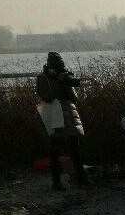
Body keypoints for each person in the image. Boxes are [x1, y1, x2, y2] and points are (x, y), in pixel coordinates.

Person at [35, 52, 89, 191]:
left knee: (75, 148)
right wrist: (58, 83)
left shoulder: (63, 76)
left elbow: (74, 98)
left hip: (69, 115)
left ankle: (82, 178)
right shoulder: (42, 78)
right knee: (55, 149)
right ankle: (56, 182)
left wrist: (67, 83)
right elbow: (47, 97)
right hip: (55, 116)